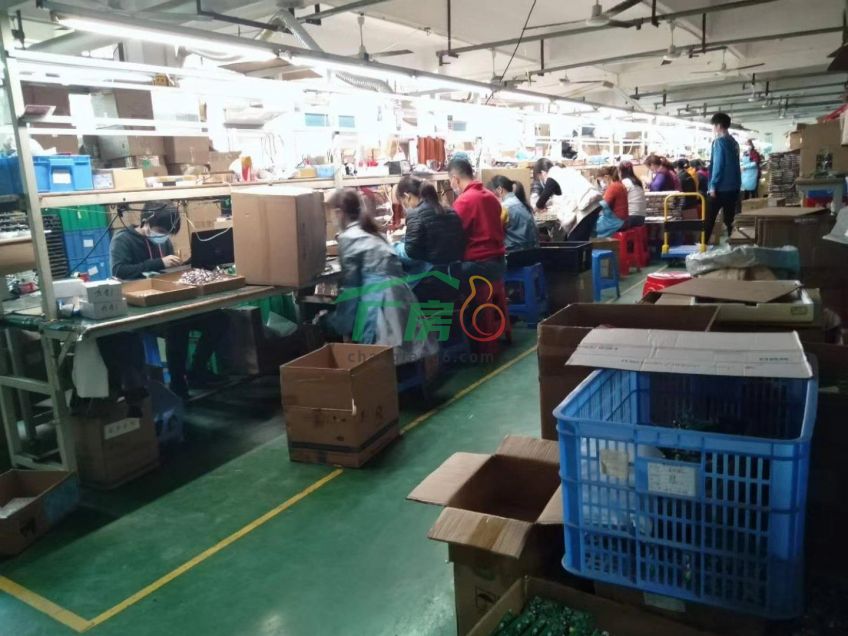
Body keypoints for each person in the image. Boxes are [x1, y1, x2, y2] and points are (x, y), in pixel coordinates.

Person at [110, 201, 228, 399]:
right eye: (161, 231)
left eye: (168, 233)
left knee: (219, 319)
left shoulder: (164, 242)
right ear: (146, 221)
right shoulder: (123, 240)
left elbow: (167, 274)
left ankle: (197, 371)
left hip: (168, 302)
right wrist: (158, 262)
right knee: (177, 326)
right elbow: (119, 270)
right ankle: (177, 384)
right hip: (141, 310)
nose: (164, 236)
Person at [329, 188, 437, 365]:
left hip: (379, 301)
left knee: (376, 353)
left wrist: (339, 323)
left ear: (339, 213)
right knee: (404, 350)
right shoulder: (374, 233)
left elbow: (351, 289)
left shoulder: (348, 238)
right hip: (402, 295)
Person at [394, 176, 465, 301]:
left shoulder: (415, 214)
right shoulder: (451, 212)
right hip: (455, 278)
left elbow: (410, 253)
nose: (405, 207)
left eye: (403, 202)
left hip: (430, 283)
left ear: (407, 196)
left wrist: (394, 247)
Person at [447, 157, 506, 283]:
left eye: (449, 181)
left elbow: (453, 235)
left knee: (440, 275)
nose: (451, 185)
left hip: (477, 265)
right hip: (499, 262)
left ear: (455, 179)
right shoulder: (491, 196)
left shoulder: (464, 201)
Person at [533, 158, 603, 235]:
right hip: (594, 204)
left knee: (575, 239)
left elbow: (543, 198)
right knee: (581, 237)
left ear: (542, 172)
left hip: (586, 207)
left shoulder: (553, 174)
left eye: (539, 177)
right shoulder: (564, 171)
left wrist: (536, 209)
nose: (541, 180)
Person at [706, 112, 742, 241]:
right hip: (734, 186)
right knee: (730, 218)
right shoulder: (734, 142)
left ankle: (702, 246)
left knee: (709, 219)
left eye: (714, 125)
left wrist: (713, 186)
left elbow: (718, 165)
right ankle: (734, 244)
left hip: (721, 187)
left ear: (718, 125)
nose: (713, 128)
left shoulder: (719, 142)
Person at [488, 175, 539, 252]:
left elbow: (493, 232)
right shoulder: (522, 203)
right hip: (532, 252)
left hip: (514, 253)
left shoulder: (504, 207)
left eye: (492, 194)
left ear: (499, 190)